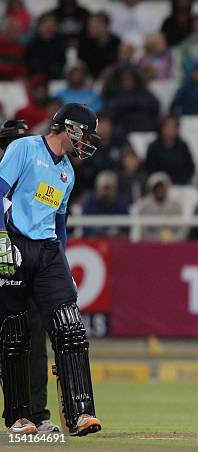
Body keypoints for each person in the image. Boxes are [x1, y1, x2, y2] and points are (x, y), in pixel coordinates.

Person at [0, 103, 102, 435]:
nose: (87, 142)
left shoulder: (67, 174)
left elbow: (59, 224)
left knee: (69, 325)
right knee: (16, 334)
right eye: (85, 133)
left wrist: (64, 260)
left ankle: (80, 413)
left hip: (47, 251)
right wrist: (1, 238)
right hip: (14, 242)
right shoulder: (24, 148)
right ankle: (19, 417)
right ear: (69, 127)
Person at [0, 120, 61, 434]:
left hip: (29, 267)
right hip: (4, 267)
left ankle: (36, 414)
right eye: (9, 144)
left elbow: (51, 222)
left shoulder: (41, 182)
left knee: (34, 342)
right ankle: (18, 413)